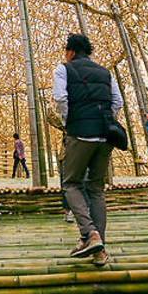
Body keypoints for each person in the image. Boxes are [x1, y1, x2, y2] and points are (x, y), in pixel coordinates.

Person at [53, 34, 123, 266]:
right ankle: (99, 250)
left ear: (70, 51)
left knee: (71, 183)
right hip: (106, 136)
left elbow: (61, 99)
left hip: (80, 133)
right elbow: (117, 102)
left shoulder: (64, 70)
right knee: (96, 188)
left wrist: (69, 122)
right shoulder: (105, 72)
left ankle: (89, 234)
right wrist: (105, 120)